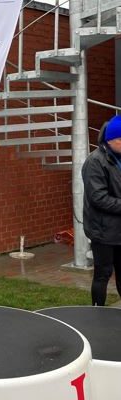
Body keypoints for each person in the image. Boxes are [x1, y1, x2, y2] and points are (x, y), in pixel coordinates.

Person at [82, 115, 121, 307]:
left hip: (119, 229)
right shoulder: (95, 161)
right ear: (110, 140)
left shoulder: (118, 157)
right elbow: (98, 198)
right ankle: (97, 314)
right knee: (103, 274)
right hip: (103, 231)